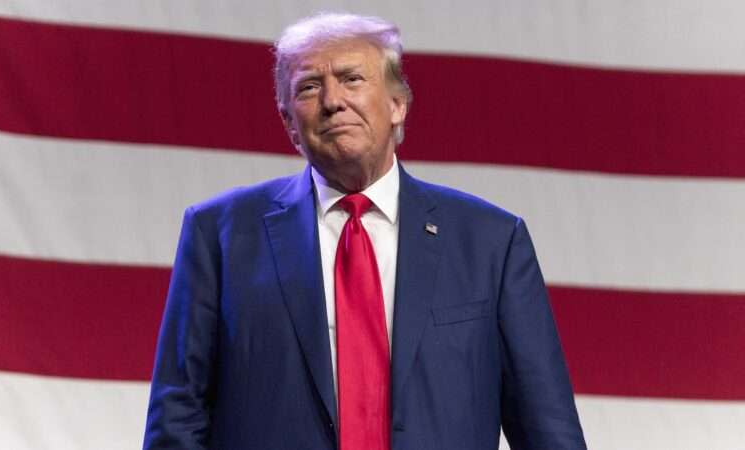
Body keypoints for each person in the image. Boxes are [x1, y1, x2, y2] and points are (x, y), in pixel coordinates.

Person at [144, 12, 586, 450]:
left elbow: (547, 427)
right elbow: (178, 419)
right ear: (288, 123)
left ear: (398, 105)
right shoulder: (220, 234)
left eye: (352, 79)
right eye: (310, 87)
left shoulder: (491, 242)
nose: (333, 100)